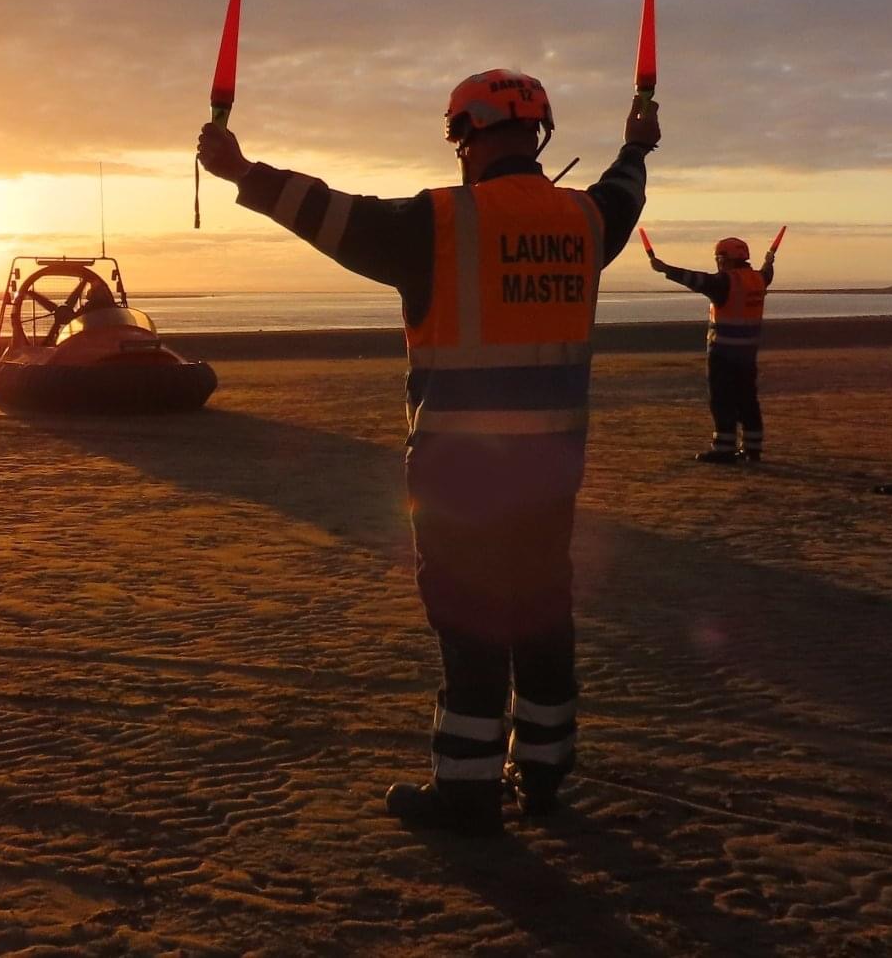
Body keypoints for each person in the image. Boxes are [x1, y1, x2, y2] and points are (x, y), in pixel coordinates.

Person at [197, 70, 657, 836]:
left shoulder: (440, 222)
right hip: (551, 473)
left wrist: (242, 171)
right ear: (538, 134)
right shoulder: (585, 223)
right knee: (544, 618)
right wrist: (635, 143)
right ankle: (543, 772)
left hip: (460, 479)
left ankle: (466, 793)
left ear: (464, 137)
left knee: (471, 630)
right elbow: (625, 191)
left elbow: (329, 215)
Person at [650, 237, 774, 463]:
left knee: (722, 401)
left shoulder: (726, 282)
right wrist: (769, 262)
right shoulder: (758, 279)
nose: (717, 263)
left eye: (718, 258)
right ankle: (753, 447)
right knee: (748, 400)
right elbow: (767, 273)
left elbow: (696, 280)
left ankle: (724, 449)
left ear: (725, 259)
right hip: (747, 355)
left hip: (723, 354)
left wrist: (665, 269)